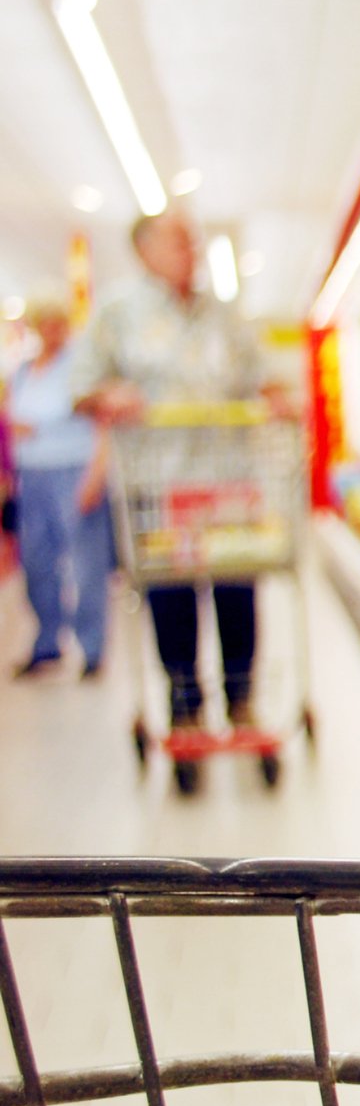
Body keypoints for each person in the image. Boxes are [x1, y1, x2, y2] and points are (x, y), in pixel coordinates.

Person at [77, 211, 278, 726]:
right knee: (171, 594)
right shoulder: (117, 313)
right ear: (144, 252)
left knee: (236, 588)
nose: (192, 252)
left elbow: (263, 376)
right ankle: (185, 703)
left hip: (226, 479)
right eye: (178, 243)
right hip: (158, 482)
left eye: (193, 242)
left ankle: (241, 699)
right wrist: (108, 395)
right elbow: (82, 388)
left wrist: (280, 399)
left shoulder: (225, 315)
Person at [6, 301, 113, 678]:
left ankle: (91, 648)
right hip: (31, 473)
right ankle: (47, 641)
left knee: (85, 563)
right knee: (36, 561)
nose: (52, 330)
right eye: (45, 323)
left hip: (74, 469)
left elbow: (101, 424)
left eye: (58, 322)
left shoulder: (80, 368)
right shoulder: (23, 371)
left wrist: (96, 474)